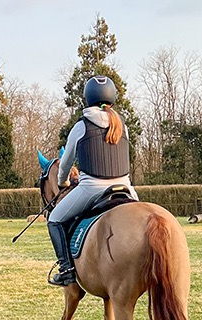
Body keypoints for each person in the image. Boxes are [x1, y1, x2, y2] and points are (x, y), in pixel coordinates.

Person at [47, 75, 138, 286]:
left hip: (92, 188)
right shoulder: (122, 125)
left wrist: (63, 183)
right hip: (125, 187)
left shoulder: (81, 126)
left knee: (55, 220)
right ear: (112, 97)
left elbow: (66, 163)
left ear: (88, 98)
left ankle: (67, 270)